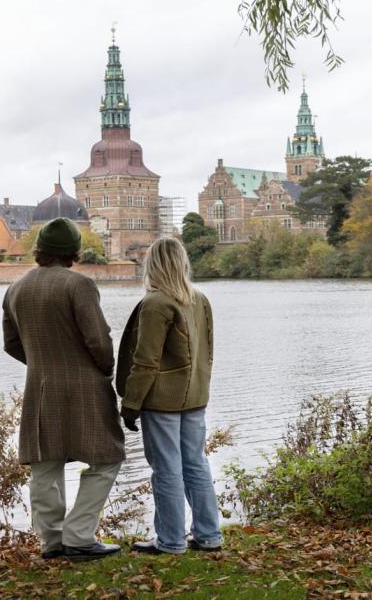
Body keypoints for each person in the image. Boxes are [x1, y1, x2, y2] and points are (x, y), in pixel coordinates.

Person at [2, 217, 124, 562]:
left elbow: (11, 344)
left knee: (45, 465)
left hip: (39, 388)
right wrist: (104, 369)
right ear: (73, 252)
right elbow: (98, 340)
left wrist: (43, 363)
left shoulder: (16, 288)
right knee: (108, 457)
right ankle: (80, 536)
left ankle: (52, 541)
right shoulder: (79, 286)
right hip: (83, 386)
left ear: (40, 250)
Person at [116, 237, 222, 555]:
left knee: (167, 469)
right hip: (195, 395)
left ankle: (171, 540)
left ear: (154, 265)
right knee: (195, 464)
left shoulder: (156, 303)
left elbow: (145, 360)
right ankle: (209, 535)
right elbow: (208, 350)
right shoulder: (199, 298)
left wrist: (131, 404)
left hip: (162, 399)